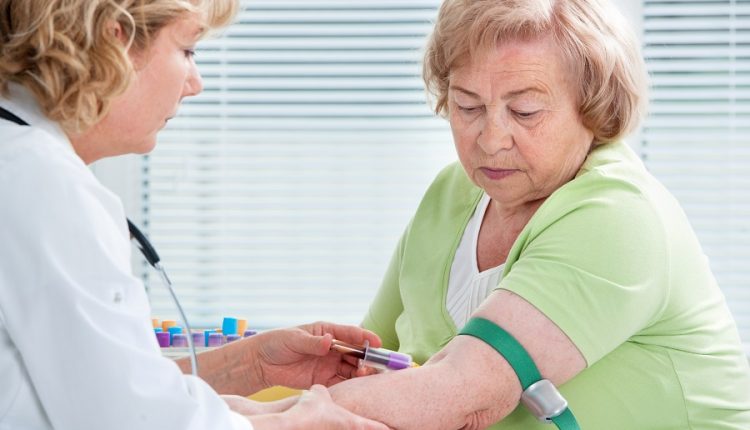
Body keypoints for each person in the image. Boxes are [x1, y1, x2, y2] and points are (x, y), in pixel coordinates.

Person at [325, 0, 750, 429]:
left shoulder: (620, 215)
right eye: (468, 106)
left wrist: (264, 421)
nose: (491, 140)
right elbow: (369, 353)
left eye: (525, 111)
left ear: (593, 106)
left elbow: (465, 392)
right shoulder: (449, 195)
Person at [0, 1, 388, 429]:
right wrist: (297, 425)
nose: (196, 83)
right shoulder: (43, 187)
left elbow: (96, 388)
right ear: (117, 41)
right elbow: (133, 421)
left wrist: (252, 367)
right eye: (187, 50)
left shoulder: (22, 164)